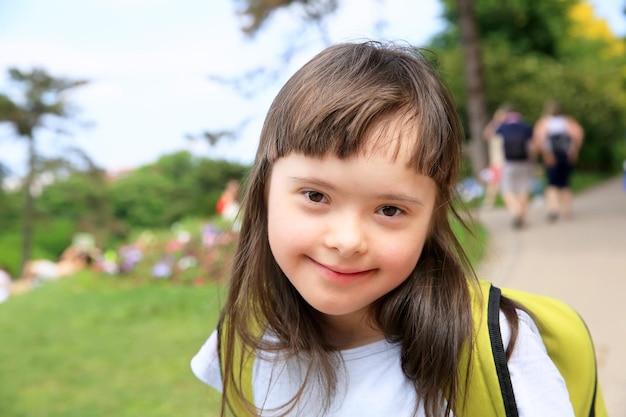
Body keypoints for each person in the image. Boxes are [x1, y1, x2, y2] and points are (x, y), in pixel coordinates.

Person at [191, 41, 575, 416]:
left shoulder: (495, 348)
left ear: (431, 221)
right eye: (315, 196)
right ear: (265, 191)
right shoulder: (246, 341)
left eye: (389, 209)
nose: (347, 241)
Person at [533, 101, 584, 221]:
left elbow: (539, 140)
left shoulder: (544, 123)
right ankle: (567, 210)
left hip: (551, 156)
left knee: (552, 184)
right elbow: (578, 135)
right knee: (565, 183)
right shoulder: (568, 121)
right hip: (566, 155)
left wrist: (544, 154)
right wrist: (575, 150)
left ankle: (553, 209)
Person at [489, 103, 536, 229]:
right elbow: (532, 147)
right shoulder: (526, 127)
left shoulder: (502, 128)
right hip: (524, 162)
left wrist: (497, 119)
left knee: (506, 190)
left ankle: (517, 212)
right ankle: (523, 218)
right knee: (523, 190)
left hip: (509, 163)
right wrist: (532, 161)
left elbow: (489, 134)